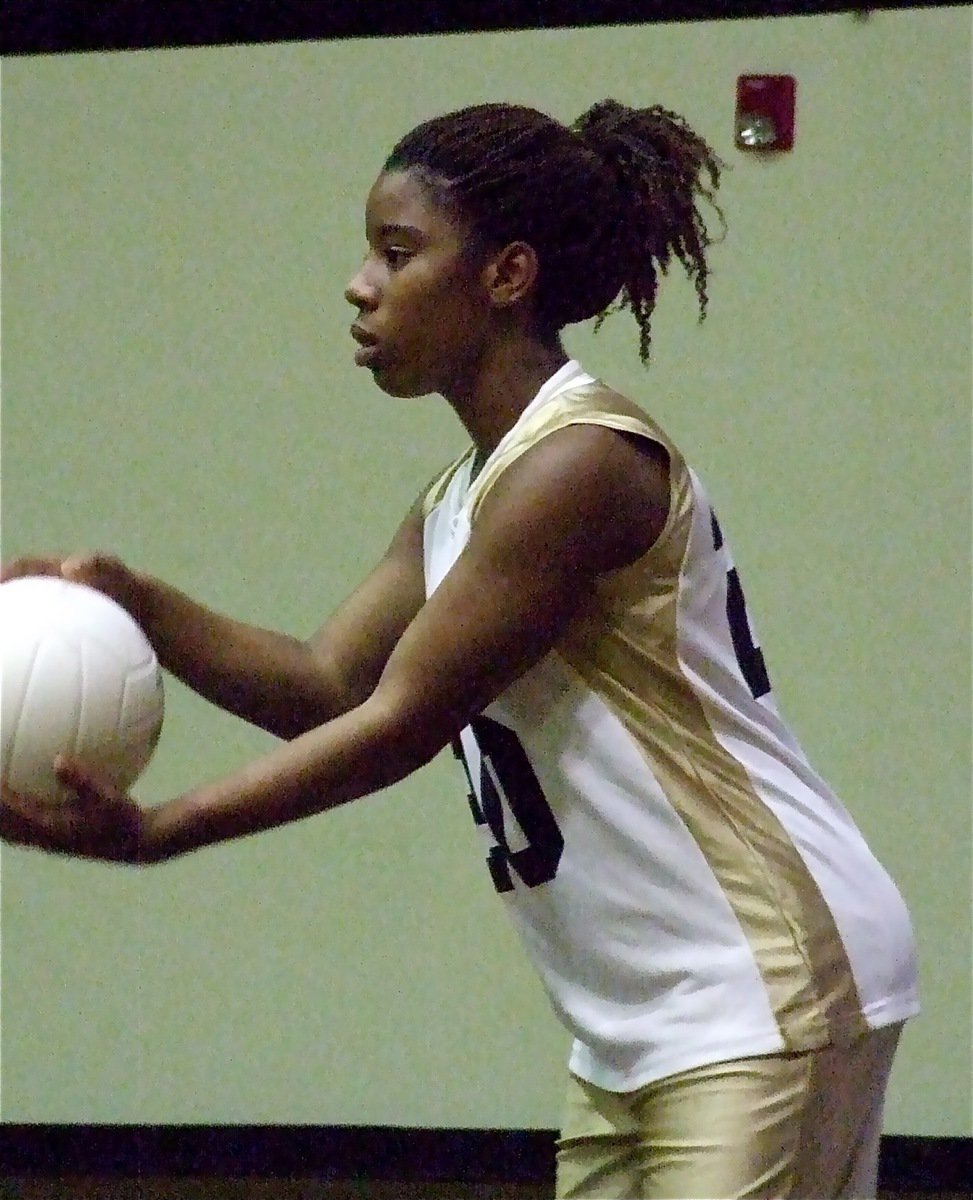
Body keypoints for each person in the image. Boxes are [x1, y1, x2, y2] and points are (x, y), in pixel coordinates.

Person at [1, 100, 919, 1199]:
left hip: (758, 988)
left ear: (505, 275)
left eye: (397, 252)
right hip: (634, 1026)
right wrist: (132, 597)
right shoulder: (460, 500)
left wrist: (163, 831)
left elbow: (400, 722)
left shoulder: (576, 468)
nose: (360, 283)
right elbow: (324, 684)